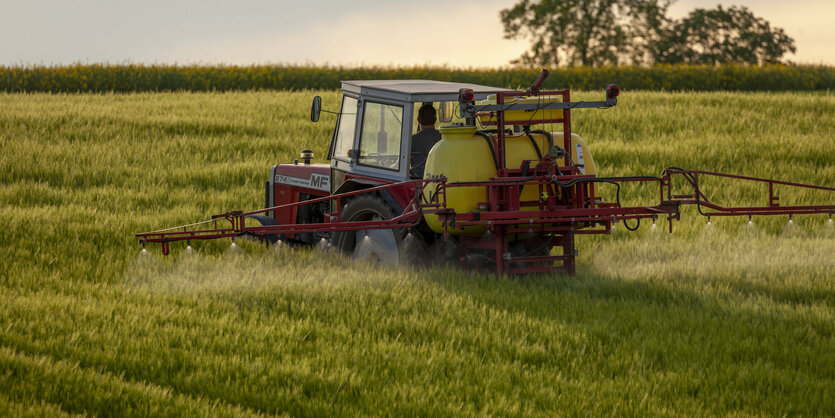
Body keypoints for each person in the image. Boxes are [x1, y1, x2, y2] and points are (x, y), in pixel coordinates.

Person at [410, 103, 442, 178]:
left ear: (418, 119)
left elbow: (402, 163)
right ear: (435, 120)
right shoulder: (443, 138)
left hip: (417, 181)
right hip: (439, 179)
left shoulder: (412, 140)